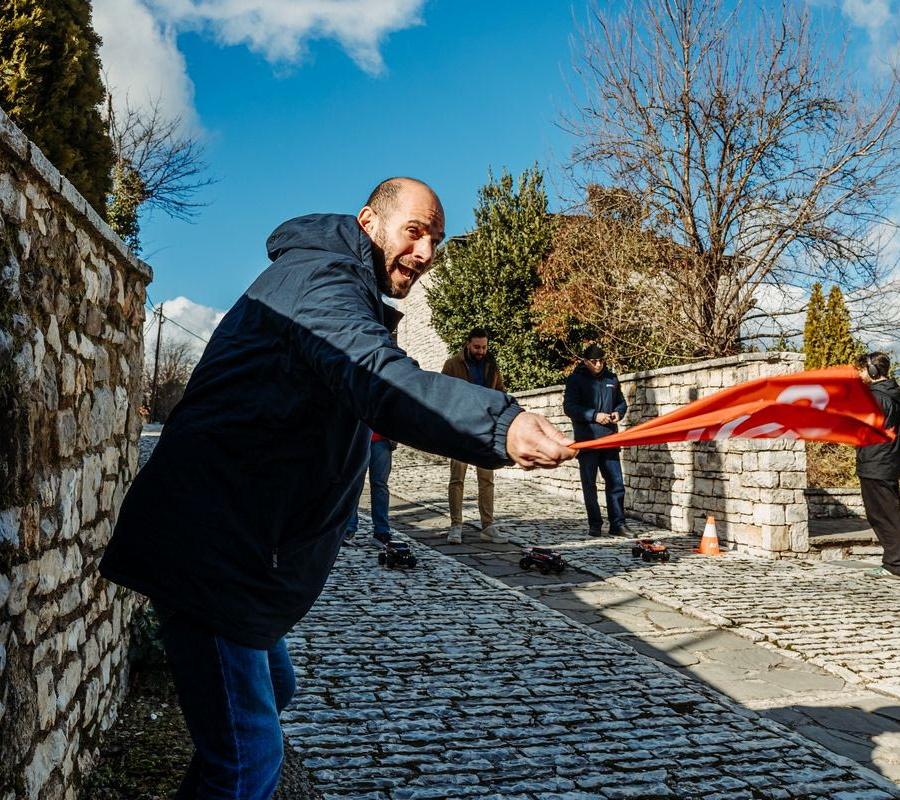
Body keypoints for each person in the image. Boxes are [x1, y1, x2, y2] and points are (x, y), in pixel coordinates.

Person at [100, 177, 575, 799]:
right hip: (211, 549)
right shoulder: (322, 282)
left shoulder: (336, 281)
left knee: (272, 694)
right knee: (246, 762)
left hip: (238, 546)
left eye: (436, 239)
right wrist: (500, 424)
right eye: (414, 232)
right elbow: (380, 376)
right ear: (368, 222)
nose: (426, 253)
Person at [441, 329, 506, 544]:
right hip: (460, 429)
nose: (481, 351)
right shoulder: (452, 365)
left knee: (487, 480)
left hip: (486, 430)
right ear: (468, 344)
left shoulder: (492, 365)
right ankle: (456, 525)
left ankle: (488, 525)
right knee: (457, 479)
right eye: (477, 347)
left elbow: (501, 392)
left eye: (484, 347)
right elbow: (442, 395)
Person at [855, 351, 900, 579]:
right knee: (890, 513)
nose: (860, 374)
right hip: (887, 461)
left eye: (862, 369)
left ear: (872, 371)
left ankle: (893, 564)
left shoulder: (876, 398)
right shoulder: (892, 393)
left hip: (875, 462)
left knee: (880, 515)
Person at [564, 343, 632, 537]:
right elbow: (569, 407)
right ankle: (595, 524)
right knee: (589, 484)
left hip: (610, 439)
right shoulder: (575, 380)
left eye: (601, 360)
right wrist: (594, 416)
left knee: (616, 483)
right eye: (594, 361)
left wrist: (618, 412)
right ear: (585, 361)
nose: (598, 364)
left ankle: (618, 524)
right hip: (588, 441)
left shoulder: (612, 378)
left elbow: (621, 402)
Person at [343, 431, 394, 547]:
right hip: (357, 439)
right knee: (354, 484)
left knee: (380, 485)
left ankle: (382, 531)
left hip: (382, 439)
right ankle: (349, 528)